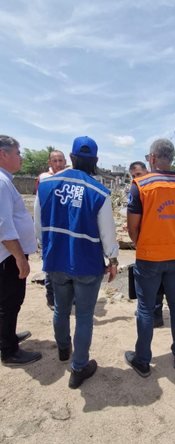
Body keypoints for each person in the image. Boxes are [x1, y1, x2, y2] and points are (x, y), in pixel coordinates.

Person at [35, 136, 119, 388]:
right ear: (95, 161)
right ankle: (79, 367)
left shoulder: (46, 184)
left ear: (71, 158)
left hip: (56, 260)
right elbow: (107, 233)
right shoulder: (99, 192)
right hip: (87, 264)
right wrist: (113, 259)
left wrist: (45, 249)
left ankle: (63, 350)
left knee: (61, 309)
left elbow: (38, 226)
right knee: (83, 315)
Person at [126, 138, 175, 377]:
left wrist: (142, 245)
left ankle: (142, 360)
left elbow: (131, 227)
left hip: (148, 257)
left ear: (153, 158)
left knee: (145, 308)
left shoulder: (141, 185)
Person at [0, 135, 42, 367]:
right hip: (8, 256)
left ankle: (7, 336)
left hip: (7, 254)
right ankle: (9, 351)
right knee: (10, 301)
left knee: (7, 300)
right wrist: (19, 257)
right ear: (3, 154)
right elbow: (3, 225)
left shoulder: (5, 180)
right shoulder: (2, 182)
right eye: (17, 153)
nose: (21, 158)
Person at [127, 161, 165, 328]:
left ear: (147, 171)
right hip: (147, 242)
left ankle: (154, 315)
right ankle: (150, 312)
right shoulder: (139, 190)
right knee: (147, 283)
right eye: (134, 176)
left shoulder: (153, 189)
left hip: (154, 243)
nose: (136, 178)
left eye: (139, 175)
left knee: (154, 282)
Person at [35, 149, 68, 311]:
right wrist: (39, 235)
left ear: (65, 162)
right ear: (49, 163)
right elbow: (38, 208)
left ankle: (67, 297)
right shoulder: (43, 179)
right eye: (54, 161)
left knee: (66, 265)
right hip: (49, 230)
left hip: (66, 231)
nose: (58, 164)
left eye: (60, 160)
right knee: (50, 266)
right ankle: (51, 298)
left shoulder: (69, 179)